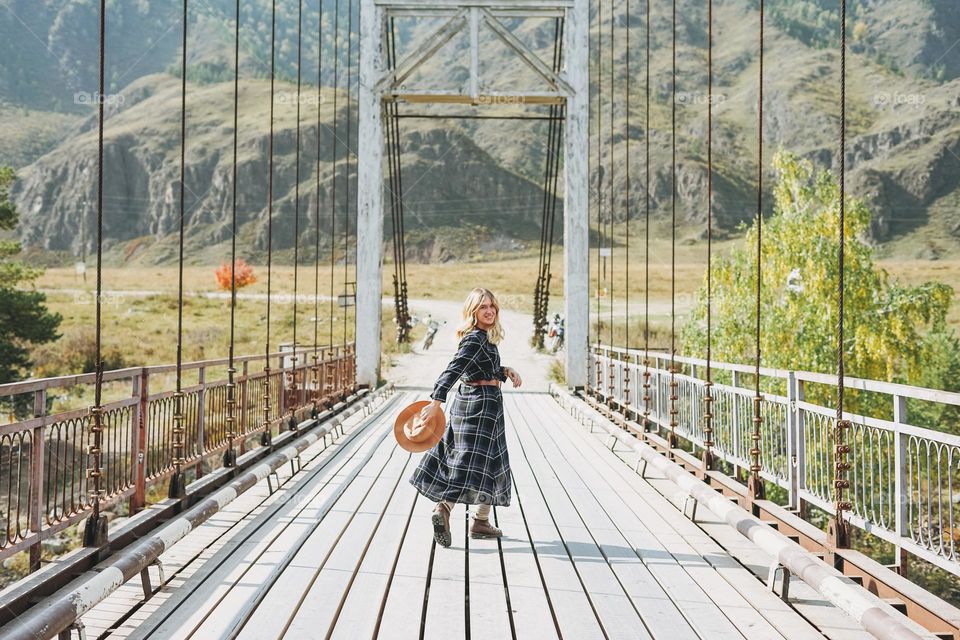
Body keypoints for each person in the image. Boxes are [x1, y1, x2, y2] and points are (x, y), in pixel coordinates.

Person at [409, 287, 522, 547]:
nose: (490, 310)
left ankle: (481, 521)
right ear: (473, 311)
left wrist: (505, 371)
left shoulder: (483, 338)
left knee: (489, 462)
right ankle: (444, 510)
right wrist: (435, 401)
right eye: (483, 306)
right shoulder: (474, 339)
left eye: (492, 306)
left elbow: (480, 368)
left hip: (482, 404)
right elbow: (454, 369)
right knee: (469, 463)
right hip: (480, 406)